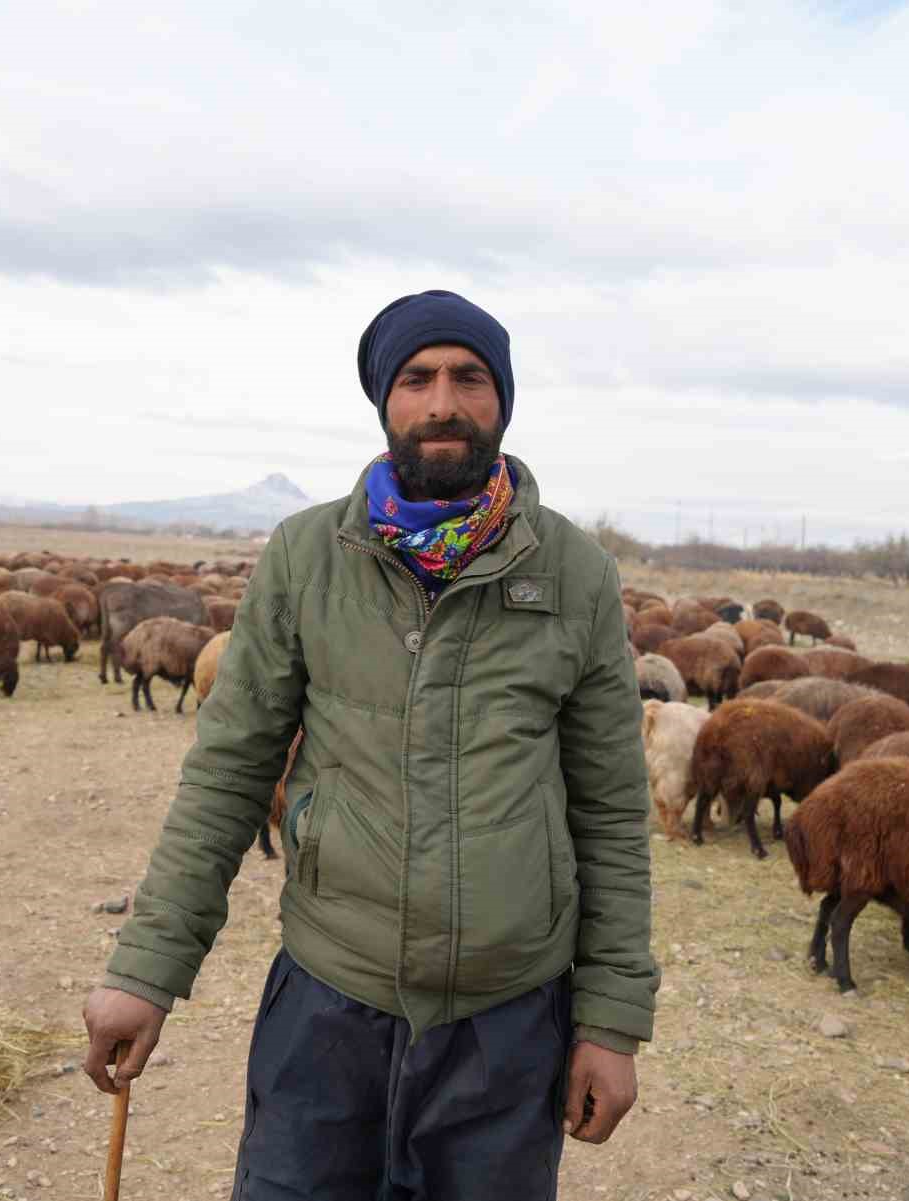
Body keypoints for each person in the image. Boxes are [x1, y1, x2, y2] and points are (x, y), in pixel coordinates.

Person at [83, 289, 659, 1200]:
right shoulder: (307, 556)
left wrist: (613, 1019)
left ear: (502, 400)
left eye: (469, 377)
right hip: (327, 1008)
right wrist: (147, 970)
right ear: (384, 400)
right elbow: (228, 773)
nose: (442, 402)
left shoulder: (575, 573)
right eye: (417, 378)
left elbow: (612, 809)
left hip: (508, 1028)